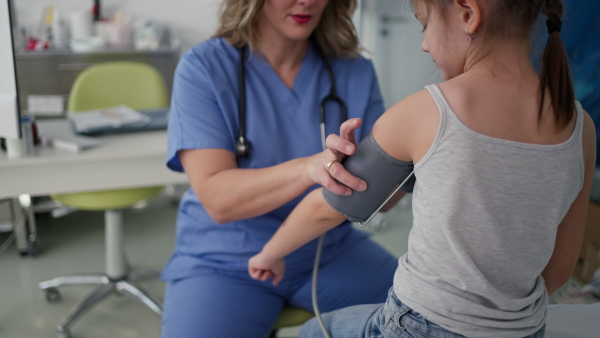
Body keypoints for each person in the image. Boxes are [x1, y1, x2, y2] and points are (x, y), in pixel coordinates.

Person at [248, 0, 596, 337]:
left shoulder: (428, 111)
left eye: (424, 24)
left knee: (311, 331)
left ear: (468, 13)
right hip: (525, 330)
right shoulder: (580, 125)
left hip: (421, 326)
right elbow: (561, 267)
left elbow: (328, 209)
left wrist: (269, 254)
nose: (426, 44)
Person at [160, 0, 403, 337]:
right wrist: (308, 169)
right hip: (225, 259)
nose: (307, 1)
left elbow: (387, 196)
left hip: (327, 248)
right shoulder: (204, 67)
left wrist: (406, 168)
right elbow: (218, 200)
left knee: (430, 317)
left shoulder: (354, 70)